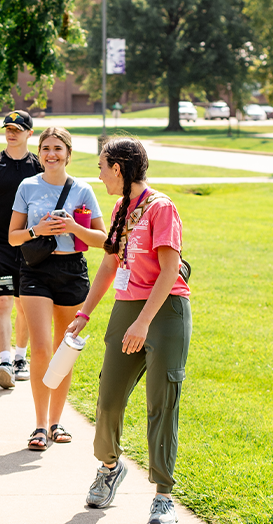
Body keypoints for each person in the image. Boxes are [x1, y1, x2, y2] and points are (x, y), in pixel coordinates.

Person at [66, 137, 192, 524]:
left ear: (118, 168)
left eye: (102, 167)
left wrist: (143, 322)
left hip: (165, 311)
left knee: (161, 402)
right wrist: (85, 313)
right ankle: (109, 467)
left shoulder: (161, 207)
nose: (99, 174)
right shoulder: (122, 207)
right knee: (108, 398)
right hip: (127, 308)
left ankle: (163, 495)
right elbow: (109, 265)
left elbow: (170, 270)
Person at [7, 127, 105, 451]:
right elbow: (13, 237)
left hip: (72, 270)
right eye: (46, 148)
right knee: (42, 348)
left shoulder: (83, 189)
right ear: (39, 152)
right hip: (35, 270)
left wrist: (74, 226)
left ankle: (56, 422)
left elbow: (103, 240)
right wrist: (38, 229)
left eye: (58, 148)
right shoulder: (28, 186)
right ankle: (38, 425)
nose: (52, 154)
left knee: (65, 352)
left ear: (68, 153)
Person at [0, 110, 42, 389]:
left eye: (17, 128)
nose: (11, 132)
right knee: (3, 301)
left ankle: (19, 358)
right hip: (1, 247)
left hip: (31, 246)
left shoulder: (40, 167)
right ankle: (4, 361)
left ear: (29, 133)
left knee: (24, 304)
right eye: (7, 128)